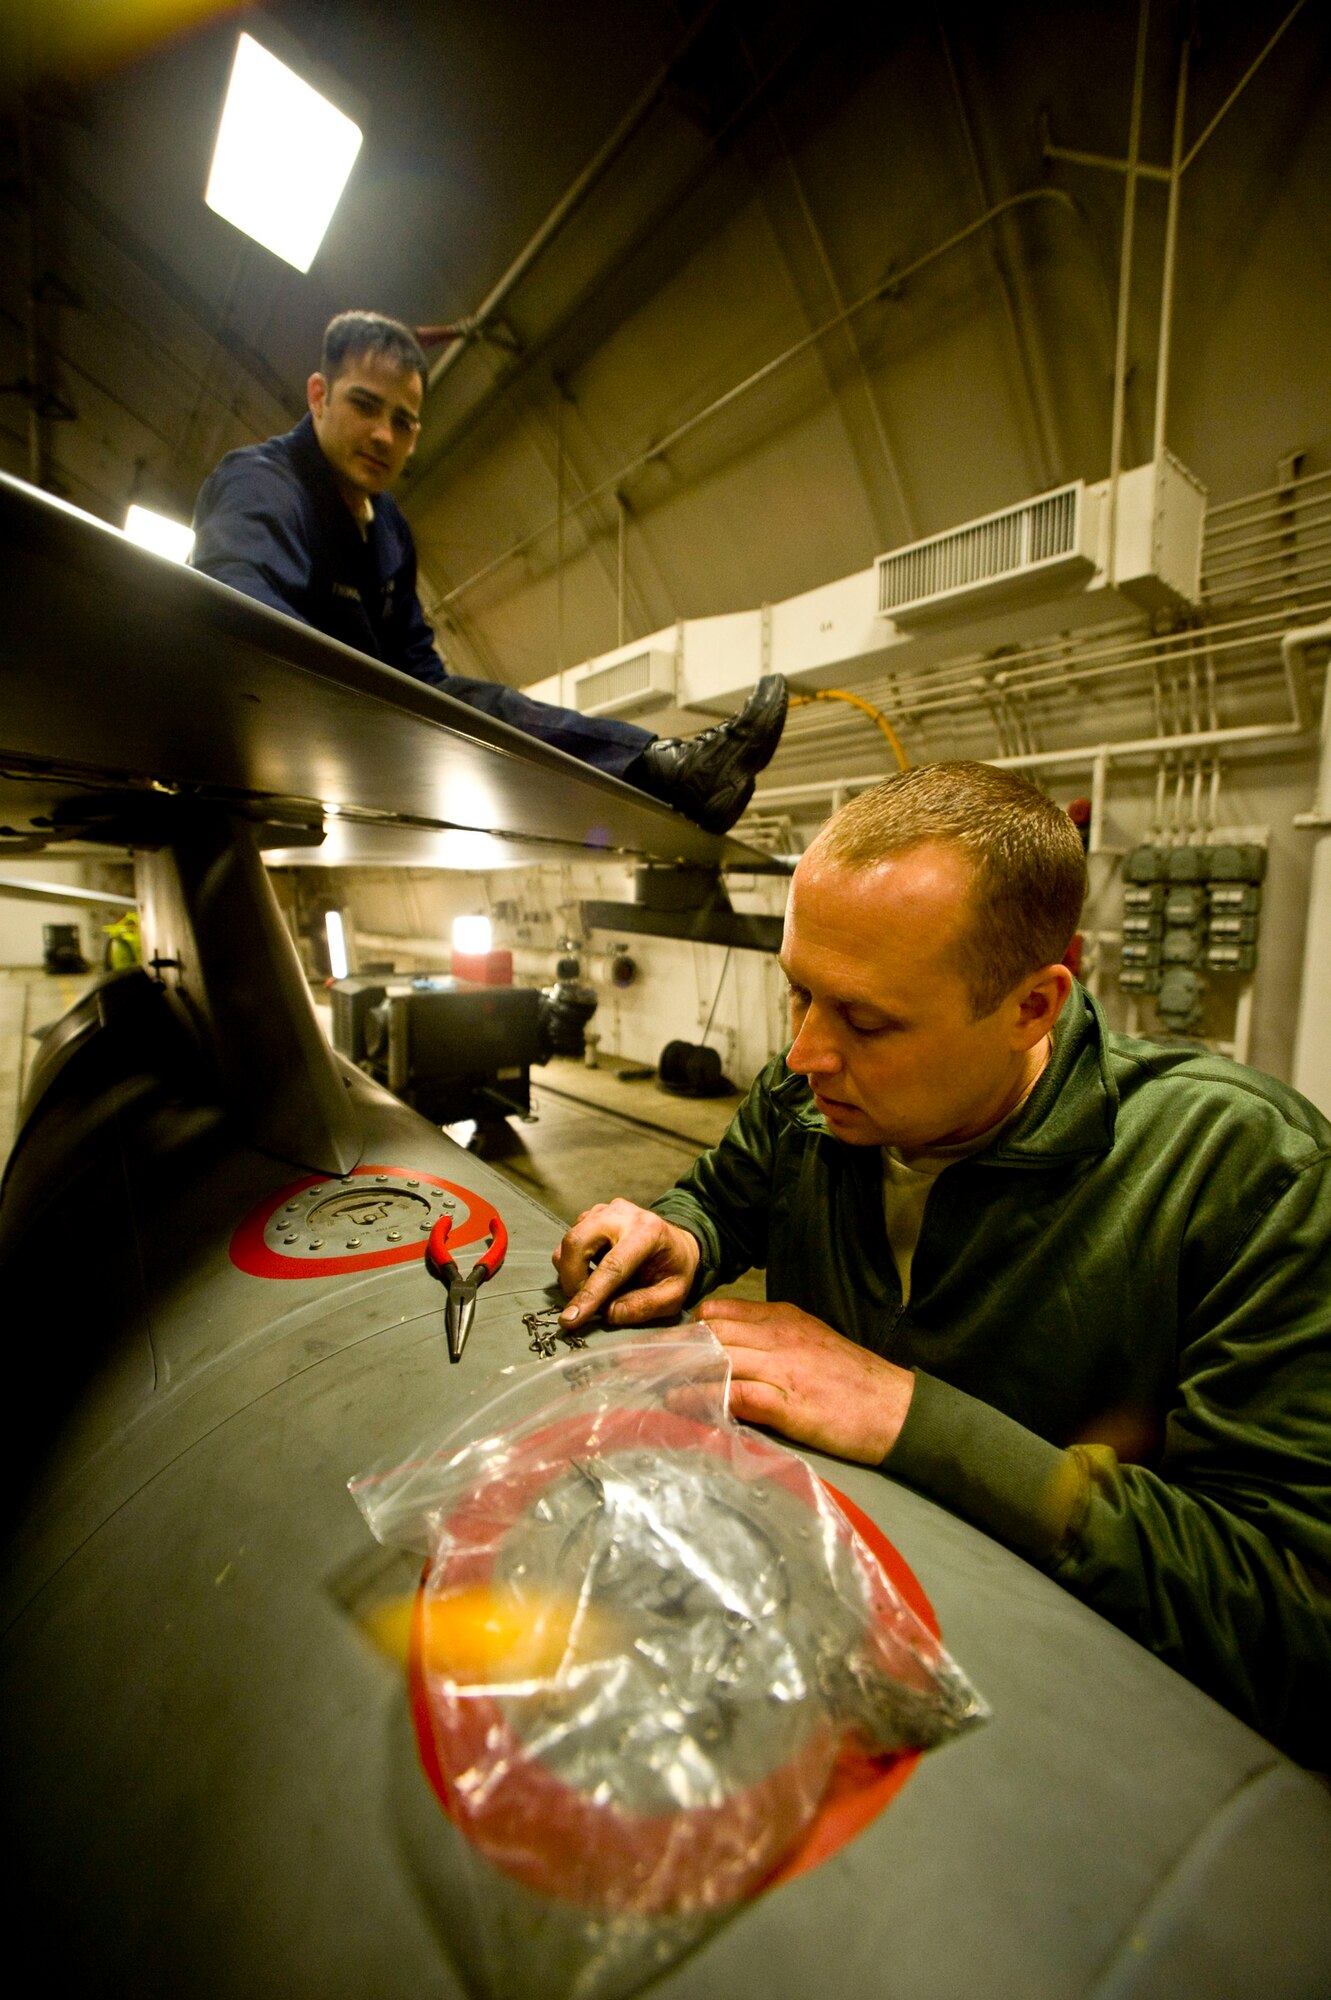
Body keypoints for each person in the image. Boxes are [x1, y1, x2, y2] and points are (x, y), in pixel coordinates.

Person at [553, 760, 1331, 1765]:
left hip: (1060, 1731)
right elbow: (723, 1193)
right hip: (811, 1632)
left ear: (1029, 1006)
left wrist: (911, 1418)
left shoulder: (1243, 1176)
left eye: (867, 1021)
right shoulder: (810, 1102)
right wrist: (681, 1231)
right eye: (797, 995)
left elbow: (1293, 1616)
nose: (801, 1054)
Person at [190, 310, 786, 835]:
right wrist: (363, 704)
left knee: (486, 705)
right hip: (248, 744)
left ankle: (670, 772)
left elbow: (420, 670)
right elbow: (235, 611)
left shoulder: (389, 526)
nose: (383, 435)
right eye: (364, 405)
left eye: (404, 422)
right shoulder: (261, 483)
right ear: (318, 395)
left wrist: (472, 733)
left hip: (350, 734)